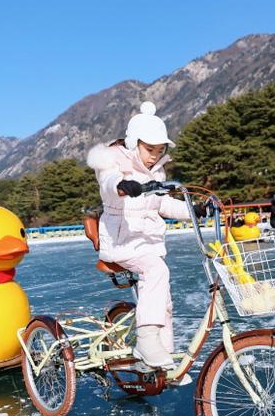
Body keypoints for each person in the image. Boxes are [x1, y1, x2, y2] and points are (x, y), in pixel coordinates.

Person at [86, 101, 203, 371]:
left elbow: (163, 204)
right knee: (157, 271)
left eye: (159, 150)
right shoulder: (113, 160)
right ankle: (147, 340)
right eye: (149, 149)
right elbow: (109, 181)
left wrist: (194, 210)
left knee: (164, 302)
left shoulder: (157, 170)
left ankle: (163, 362)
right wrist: (123, 185)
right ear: (133, 142)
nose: (154, 155)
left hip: (148, 244)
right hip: (121, 241)